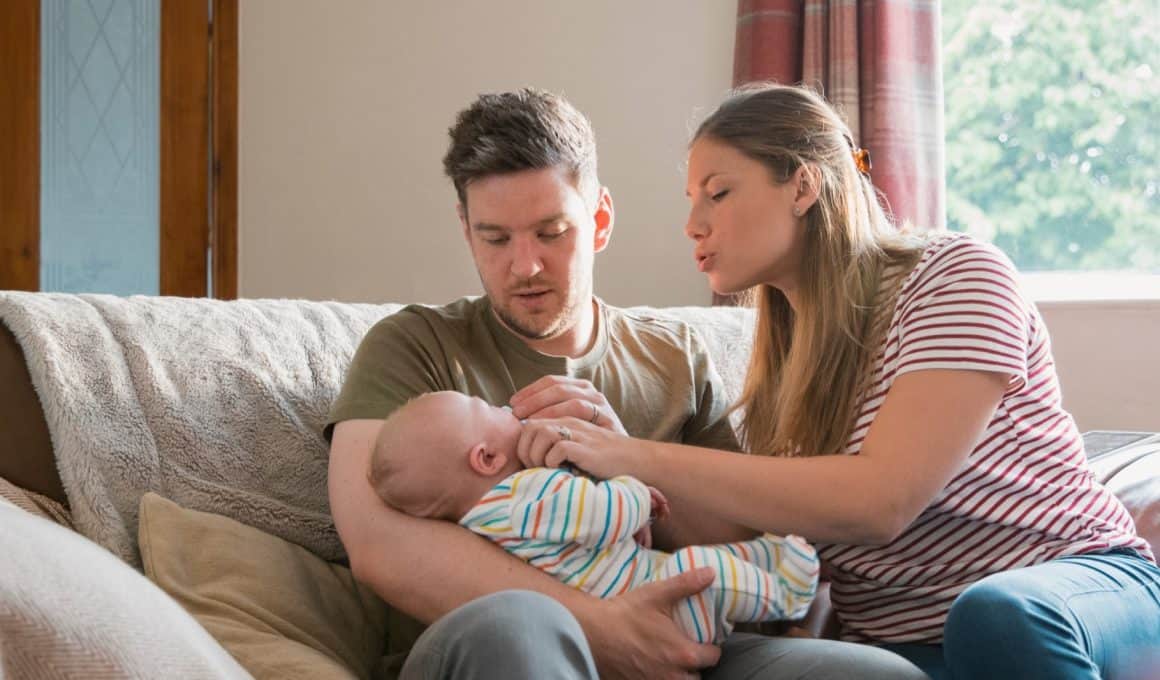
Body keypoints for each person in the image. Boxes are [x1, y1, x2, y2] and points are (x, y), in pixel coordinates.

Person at [515, 82, 1160, 680]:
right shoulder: (779, 366)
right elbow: (759, 544)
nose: (693, 224)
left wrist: (637, 454)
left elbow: (882, 501)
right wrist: (621, 464)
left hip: (1075, 587)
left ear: (803, 186)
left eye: (717, 191)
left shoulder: (956, 277)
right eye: (691, 201)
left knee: (996, 616)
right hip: (910, 649)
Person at [326, 87, 928, 679]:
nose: (526, 265)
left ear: (600, 220)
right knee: (518, 623)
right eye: (495, 238)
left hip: (687, 639)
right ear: (466, 231)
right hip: (496, 642)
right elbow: (378, 545)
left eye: (551, 232)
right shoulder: (414, 347)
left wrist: (632, 460)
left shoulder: (672, 356)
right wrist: (600, 628)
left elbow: (741, 541)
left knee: (873, 673)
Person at [367, 390, 820, 645]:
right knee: (702, 571)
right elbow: (602, 515)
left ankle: (772, 557)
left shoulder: (482, 523)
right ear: (485, 457)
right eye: (491, 411)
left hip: (640, 581)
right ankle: (789, 592)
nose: (506, 409)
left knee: (718, 558)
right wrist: (632, 486)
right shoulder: (525, 494)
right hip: (659, 612)